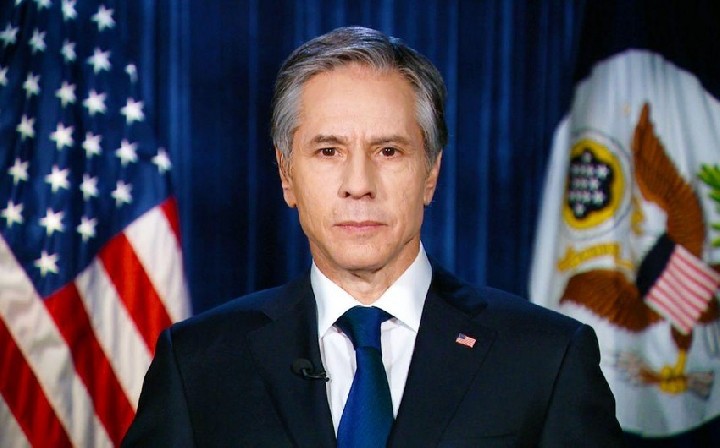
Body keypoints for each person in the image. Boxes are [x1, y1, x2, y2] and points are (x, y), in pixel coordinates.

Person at [122, 26, 624, 447]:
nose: (359, 184)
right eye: (328, 151)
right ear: (286, 175)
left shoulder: (547, 357)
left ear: (430, 173)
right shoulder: (199, 364)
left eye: (388, 151)